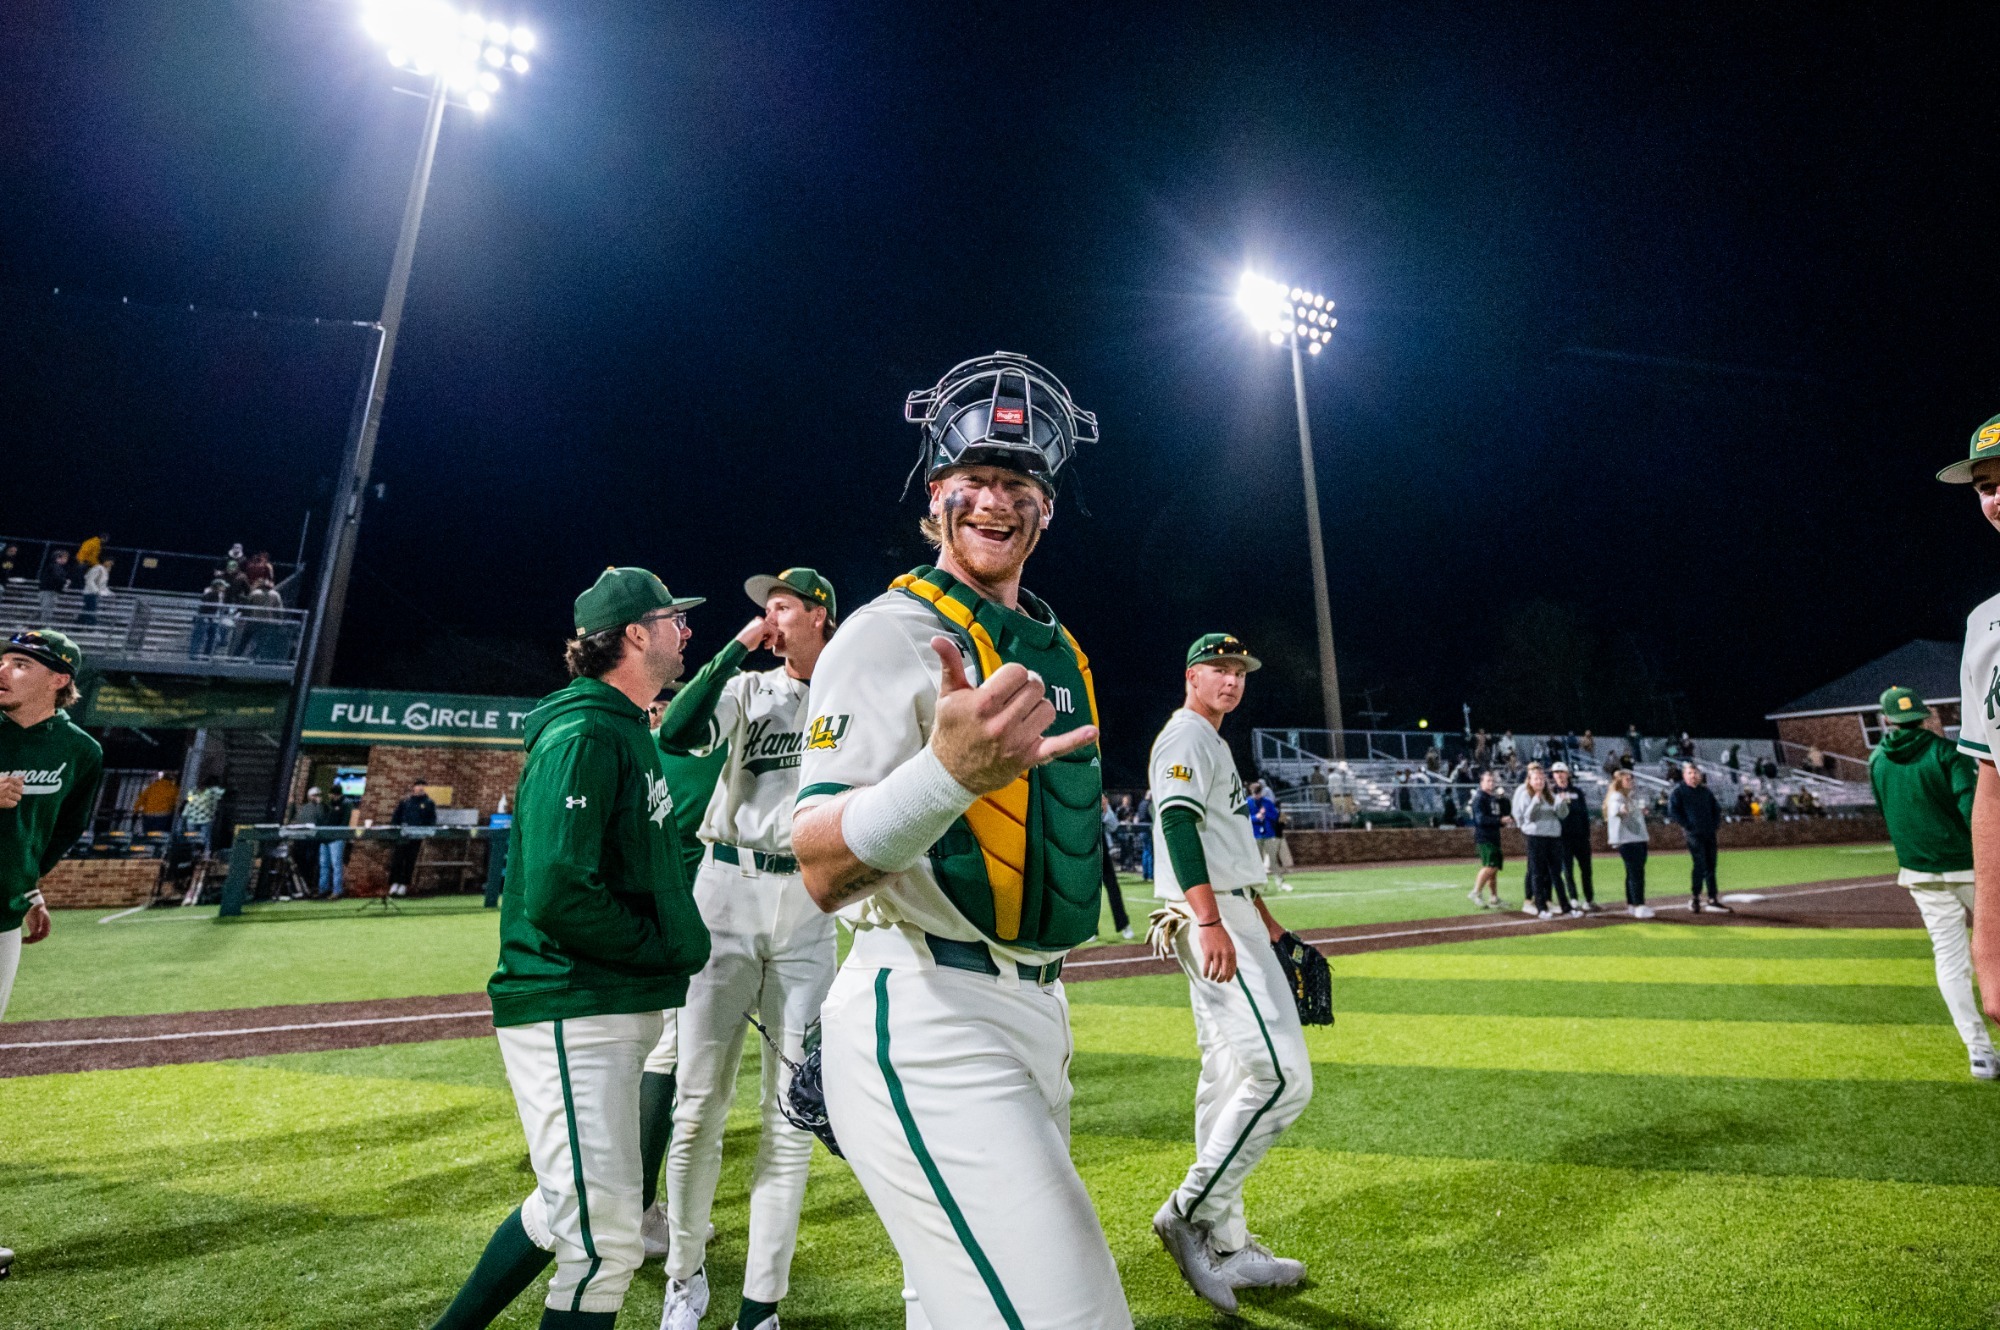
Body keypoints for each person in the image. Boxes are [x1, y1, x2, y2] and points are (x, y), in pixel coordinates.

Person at [791, 353, 1130, 1329]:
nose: (994, 500)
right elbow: (816, 859)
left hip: (1037, 1010)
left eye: (1018, 483)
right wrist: (945, 775)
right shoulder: (884, 632)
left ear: (1046, 509)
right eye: (972, 479)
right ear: (935, 496)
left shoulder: (1058, 650)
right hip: (927, 1009)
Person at [428, 567, 710, 1330]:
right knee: (603, 1246)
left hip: (606, 1002)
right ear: (635, 634)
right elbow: (555, 889)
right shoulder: (585, 730)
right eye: (672, 619)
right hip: (571, 1002)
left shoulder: (623, 724)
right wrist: (661, 948)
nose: (685, 630)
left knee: (567, 1213)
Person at [653, 567, 840, 1330]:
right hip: (725, 888)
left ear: (821, 614)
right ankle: (683, 1275)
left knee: (789, 1114)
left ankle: (761, 1304)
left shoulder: (849, 691)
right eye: (765, 608)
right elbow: (675, 731)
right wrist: (734, 648)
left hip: (810, 898)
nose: (770, 616)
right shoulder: (747, 687)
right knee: (698, 1105)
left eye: (785, 605)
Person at [1144, 634, 1311, 1312]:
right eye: (1219, 668)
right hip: (1208, 917)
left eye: (1239, 671)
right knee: (1283, 1078)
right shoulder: (1185, 736)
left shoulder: (1211, 742)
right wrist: (1212, 921)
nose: (1232, 680)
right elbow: (1178, 826)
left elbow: (1222, 844)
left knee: (1230, 1078)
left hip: (1234, 911)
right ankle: (1187, 1211)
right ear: (1192, 675)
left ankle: (1228, 1241)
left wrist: (1265, 921)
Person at [0, 629, 104, 1281]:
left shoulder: (80, 751)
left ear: (59, 681)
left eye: (19, 663)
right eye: (1, 660)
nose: (3, 670)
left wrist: (30, 883)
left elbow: (62, 828)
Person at [1867, 685, 1996, 1079]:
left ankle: (1979, 1053)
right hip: (1967, 865)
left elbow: (1883, 809)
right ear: (1924, 715)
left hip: (1919, 871)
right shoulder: (1946, 753)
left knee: (1950, 961)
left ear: (1887, 720)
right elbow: (1969, 809)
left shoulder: (1876, 761)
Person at [1938, 415, 2000, 1027]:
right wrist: (1988, 937)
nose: (1996, 497)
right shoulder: (1984, 621)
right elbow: (1992, 780)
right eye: (1985, 484)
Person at [1511, 762, 1573, 918]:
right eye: (1535, 778)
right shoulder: (1524, 793)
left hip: (1552, 837)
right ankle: (1537, 905)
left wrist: (1562, 802)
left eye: (1541, 777)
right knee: (1536, 871)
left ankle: (1557, 903)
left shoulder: (1551, 795)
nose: (1539, 781)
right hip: (1535, 836)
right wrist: (1535, 803)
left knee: (1554, 873)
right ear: (1529, 779)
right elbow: (1526, 816)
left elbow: (1563, 814)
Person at [1666, 762, 1728, 913]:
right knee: (1699, 864)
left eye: (1695, 773)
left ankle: (1712, 898)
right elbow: (1673, 811)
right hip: (1694, 834)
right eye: (1690, 773)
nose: (1693, 776)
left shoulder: (1705, 792)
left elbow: (1716, 809)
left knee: (1711, 865)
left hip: (1709, 833)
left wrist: (1714, 825)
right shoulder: (1679, 792)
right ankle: (1695, 897)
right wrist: (1688, 826)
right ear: (1684, 775)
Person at [1603, 769, 1652, 918]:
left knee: (1632, 873)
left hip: (1634, 838)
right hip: (1629, 839)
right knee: (1637, 873)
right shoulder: (1617, 797)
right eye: (1627, 779)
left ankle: (1632, 904)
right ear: (1619, 782)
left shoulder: (1628, 797)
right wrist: (1626, 809)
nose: (1631, 781)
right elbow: (1617, 810)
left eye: (1631, 779)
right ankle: (1639, 905)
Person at [1550, 762, 1598, 912]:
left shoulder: (1577, 791)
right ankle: (1573, 898)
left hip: (1580, 837)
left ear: (1567, 774)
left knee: (1586, 870)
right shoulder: (1551, 792)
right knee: (1568, 871)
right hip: (1563, 838)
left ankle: (1589, 899)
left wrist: (1587, 834)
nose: (1559, 775)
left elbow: (1584, 813)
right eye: (1556, 772)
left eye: (1562, 772)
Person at [388, 779, 437, 897]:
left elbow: (432, 819)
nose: (420, 788)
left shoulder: (429, 803)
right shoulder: (405, 801)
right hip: (402, 835)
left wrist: (427, 831)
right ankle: (394, 883)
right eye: (418, 785)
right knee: (397, 860)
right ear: (413, 787)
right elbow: (396, 816)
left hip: (416, 836)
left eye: (423, 786)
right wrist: (394, 829)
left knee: (410, 861)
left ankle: (404, 885)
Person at [1468, 769, 1509, 909]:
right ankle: (1476, 892)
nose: (1491, 783)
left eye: (1492, 781)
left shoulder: (1491, 798)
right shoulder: (1480, 798)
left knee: (1494, 869)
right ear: (1481, 782)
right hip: (1485, 837)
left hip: (1493, 836)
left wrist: (1503, 800)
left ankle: (1494, 897)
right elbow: (1480, 819)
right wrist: (1499, 820)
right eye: (1488, 781)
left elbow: (1503, 810)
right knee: (1490, 866)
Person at [1245, 780, 1292, 892]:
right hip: (1255, 835)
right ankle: (1260, 885)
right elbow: (1245, 819)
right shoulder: (1247, 803)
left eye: (1258, 793)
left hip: (1269, 834)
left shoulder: (1267, 802)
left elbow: (1275, 817)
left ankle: (1280, 883)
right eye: (1254, 793)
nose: (1257, 796)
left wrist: (1265, 815)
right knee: (1258, 861)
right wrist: (1257, 817)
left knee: (1273, 860)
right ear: (1251, 793)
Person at [1099, 795, 1133, 939]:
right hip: (1083, 851)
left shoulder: (1100, 800)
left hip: (1101, 850)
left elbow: (1113, 826)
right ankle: (1090, 930)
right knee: (1086, 894)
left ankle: (1124, 925)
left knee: (1113, 889)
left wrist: (1105, 809)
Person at [36, 549, 69, 623]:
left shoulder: (56, 567)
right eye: (64, 558)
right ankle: (45, 626)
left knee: (44, 609)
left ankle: (32, 625)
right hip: (49, 591)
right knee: (46, 610)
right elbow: (56, 578)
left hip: (49, 591)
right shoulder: (55, 567)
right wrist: (65, 581)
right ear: (58, 558)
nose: (66, 560)